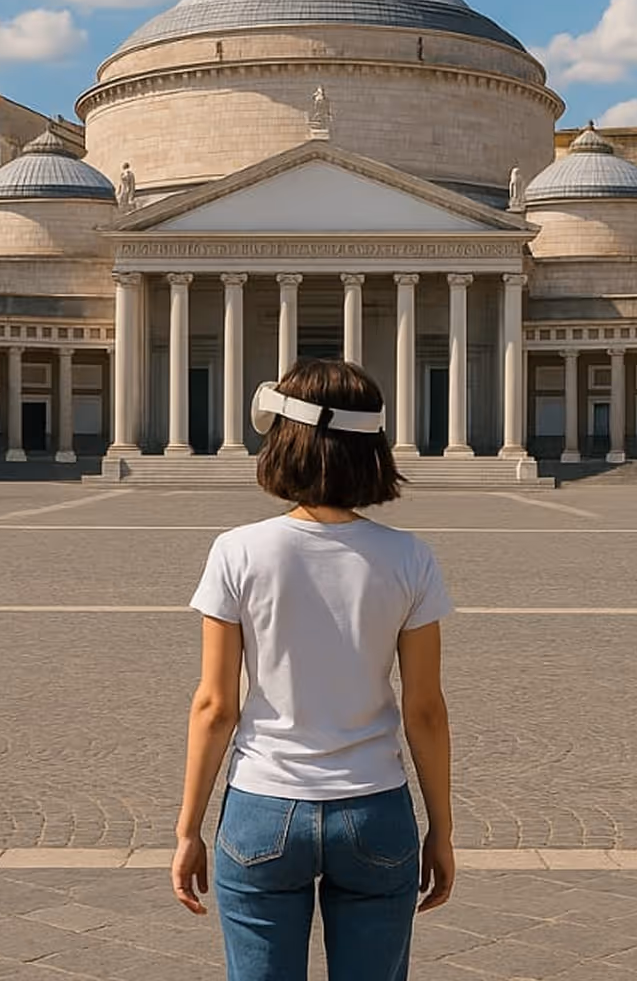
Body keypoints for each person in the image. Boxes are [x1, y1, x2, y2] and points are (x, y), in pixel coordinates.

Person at [172, 358, 455, 981]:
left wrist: (188, 829)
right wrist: (442, 829)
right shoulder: (409, 557)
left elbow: (215, 706)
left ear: (285, 441)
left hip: (263, 806)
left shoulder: (238, 550)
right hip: (375, 805)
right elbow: (425, 710)